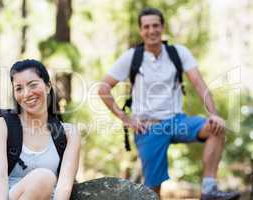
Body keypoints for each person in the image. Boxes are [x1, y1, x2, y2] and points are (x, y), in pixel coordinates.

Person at [98, 7, 240, 200]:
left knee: (216, 128)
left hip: (177, 121)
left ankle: (209, 189)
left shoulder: (178, 53)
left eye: (156, 25)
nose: (151, 30)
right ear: (141, 31)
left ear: (163, 27)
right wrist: (126, 119)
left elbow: (199, 84)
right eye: (146, 26)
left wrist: (213, 113)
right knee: (152, 192)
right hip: (149, 128)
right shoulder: (132, 57)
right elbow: (103, 88)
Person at [0, 59, 80, 200]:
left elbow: (65, 185)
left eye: (33, 85)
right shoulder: (1, 125)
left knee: (45, 178)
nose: (26, 94)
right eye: (19, 88)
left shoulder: (69, 133)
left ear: (48, 86)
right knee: (44, 178)